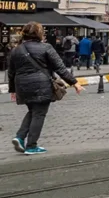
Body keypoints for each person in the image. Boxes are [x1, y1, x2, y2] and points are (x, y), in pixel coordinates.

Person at [8, 22, 83, 155]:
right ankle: (31, 145)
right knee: (39, 113)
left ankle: (19, 137)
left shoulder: (16, 50)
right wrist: (74, 83)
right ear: (39, 33)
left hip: (22, 85)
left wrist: (12, 90)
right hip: (41, 84)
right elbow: (60, 68)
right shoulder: (46, 47)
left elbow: (11, 72)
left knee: (32, 111)